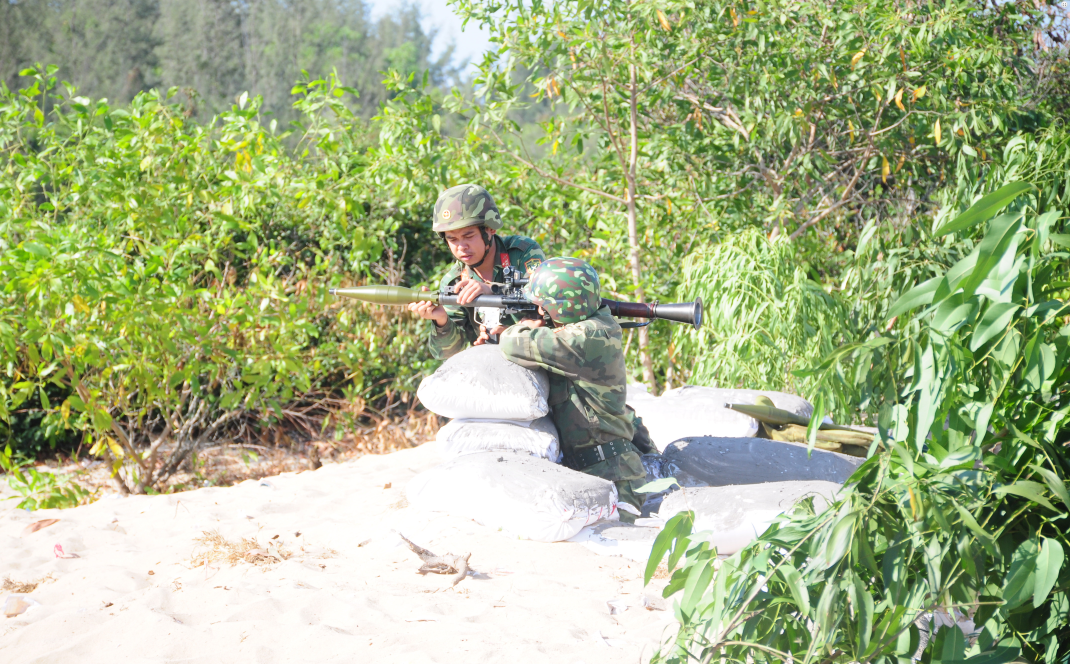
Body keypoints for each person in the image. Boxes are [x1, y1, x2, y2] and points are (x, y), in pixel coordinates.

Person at [498, 257, 647, 516]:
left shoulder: (585, 338)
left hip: (613, 479)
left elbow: (512, 342)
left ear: (562, 308)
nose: (540, 312)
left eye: (543, 307)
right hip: (597, 470)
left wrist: (521, 327)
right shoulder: (595, 325)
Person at [408, 184, 545, 359]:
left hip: (536, 354)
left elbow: (547, 301)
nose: (461, 247)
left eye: (468, 236)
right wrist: (441, 320)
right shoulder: (454, 282)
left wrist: (492, 290)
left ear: (490, 229)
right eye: (452, 239)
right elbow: (446, 353)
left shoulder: (522, 252)